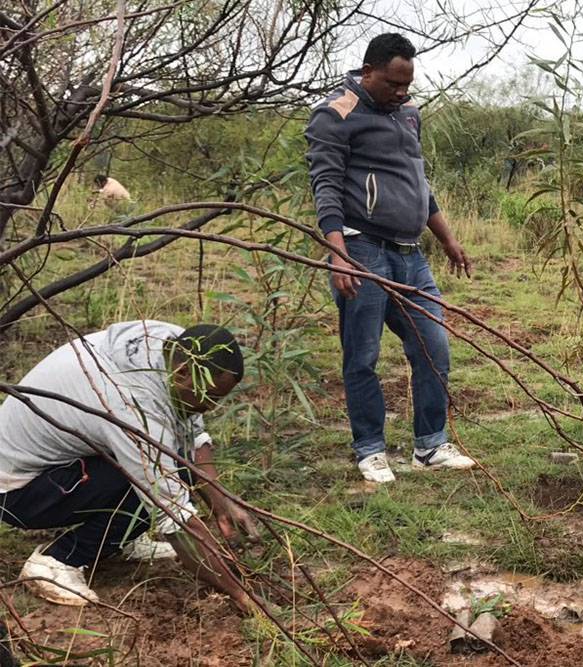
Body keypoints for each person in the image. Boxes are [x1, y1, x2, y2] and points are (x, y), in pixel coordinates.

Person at [305, 33, 475, 483]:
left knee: (433, 347)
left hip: (411, 254)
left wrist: (448, 239)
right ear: (367, 73)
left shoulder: (408, 114)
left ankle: (430, 444)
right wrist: (338, 254)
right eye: (393, 84)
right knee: (362, 356)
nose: (402, 92)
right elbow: (325, 188)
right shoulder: (335, 114)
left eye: (408, 85)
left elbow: (418, 183)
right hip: (361, 250)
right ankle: (370, 449)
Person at [0, 321, 258, 608]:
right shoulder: (131, 402)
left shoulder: (173, 345)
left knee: (166, 464)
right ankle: (56, 562)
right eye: (211, 397)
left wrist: (221, 504)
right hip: (17, 490)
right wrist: (242, 596)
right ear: (183, 372)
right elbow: (172, 515)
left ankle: (118, 538)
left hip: (58, 465)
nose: (212, 407)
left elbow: (192, 434)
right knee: (152, 483)